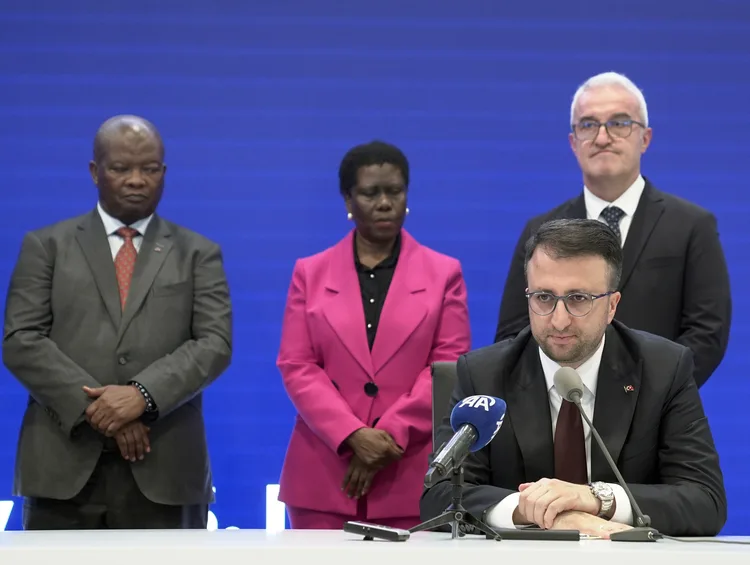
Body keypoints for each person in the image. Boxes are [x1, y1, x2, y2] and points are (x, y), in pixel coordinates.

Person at [421, 219, 726, 538]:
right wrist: (534, 512)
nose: (559, 320)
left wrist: (597, 499)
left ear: (612, 305)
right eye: (543, 297)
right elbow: (438, 494)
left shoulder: (663, 369)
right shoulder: (484, 374)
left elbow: (705, 500)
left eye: (578, 298)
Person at [2, 115, 232, 529]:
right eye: (121, 168)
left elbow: (214, 344)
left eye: (150, 169)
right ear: (95, 171)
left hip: (166, 468)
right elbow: (21, 340)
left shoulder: (199, 253)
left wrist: (143, 396)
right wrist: (101, 409)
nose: (136, 180)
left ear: (164, 172)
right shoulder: (46, 246)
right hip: (63, 467)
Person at [277, 140, 471, 529]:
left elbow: (447, 367)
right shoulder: (310, 273)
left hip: (409, 473)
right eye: (370, 193)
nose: (384, 203)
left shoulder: (444, 273)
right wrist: (352, 435)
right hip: (325, 473)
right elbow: (297, 365)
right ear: (348, 199)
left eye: (394, 191)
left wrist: (387, 436)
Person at [494, 72, 731, 388]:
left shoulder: (691, 225)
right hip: (562, 404)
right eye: (588, 125)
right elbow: (512, 334)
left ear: (645, 138)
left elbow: (707, 333)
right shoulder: (540, 231)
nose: (603, 138)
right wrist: (564, 388)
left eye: (619, 123)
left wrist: (650, 394)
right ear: (573, 142)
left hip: (658, 409)